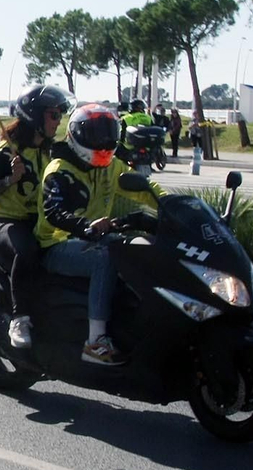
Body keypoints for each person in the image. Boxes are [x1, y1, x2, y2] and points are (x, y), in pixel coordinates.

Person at [36, 104, 160, 366]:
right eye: (95, 134)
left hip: (94, 239)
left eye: (107, 133)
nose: (103, 141)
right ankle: (95, 341)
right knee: (108, 256)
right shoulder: (60, 170)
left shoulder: (111, 166)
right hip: (57, 244)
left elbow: (143, 188)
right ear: (77, 135)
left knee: (137, 248)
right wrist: (85, 226)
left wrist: (173, 205)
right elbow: (54, 213)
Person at [0, 84, 70, 349]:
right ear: (35, 116)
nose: (58, 121)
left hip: (39, 220)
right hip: (4, 221)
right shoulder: (6, 151)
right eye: (53, 115)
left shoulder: (51, 152)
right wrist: (10, 178)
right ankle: (20, 318)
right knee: (27, 249)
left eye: (60, 115)